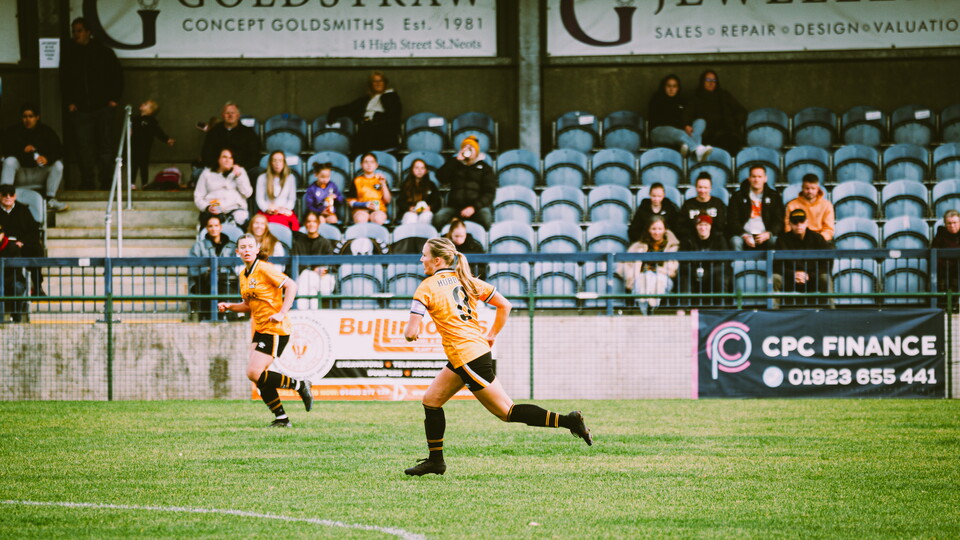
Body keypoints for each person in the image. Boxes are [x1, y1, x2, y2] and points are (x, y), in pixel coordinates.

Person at [402, 237, 592, 476]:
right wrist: (491, 335)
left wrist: (412, 333)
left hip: (466, 356)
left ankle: (569, 421)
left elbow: (410, 332)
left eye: (424, 255)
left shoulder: (427, 286)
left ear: (437, 260)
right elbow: (505, 305)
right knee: (431, 400)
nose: (421, 259)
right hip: (471, 352)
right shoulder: (467, 279)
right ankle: (435, 461)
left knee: (507, 412)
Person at [218, 233, 312, 427]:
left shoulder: (264, 269)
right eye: (242, 247)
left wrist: (282, 312)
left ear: (257, 249)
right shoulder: (244, 275)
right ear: (237, 252)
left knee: (254, 372)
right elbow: (247, 305)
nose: (246, 250)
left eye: (250, 246)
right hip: (261, 328)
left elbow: (291, 286)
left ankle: (300, 385)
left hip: (275, 328)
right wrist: (229, 306)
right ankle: (281, 419)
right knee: (259, 377)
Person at [59, 17, 123, 190]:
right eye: (74, 31)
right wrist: (70, 102)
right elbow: (63, 80)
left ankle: (106, 180)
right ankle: (87, 180)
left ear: (88, 32)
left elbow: (117, 76)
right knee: (84, 147)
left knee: (105, 146)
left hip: (103, 107)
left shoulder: (103, 52)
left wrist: (113, 100)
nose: (76, 34)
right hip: (80, 109)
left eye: (79, 30)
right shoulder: (70, 54)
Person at [1, 104, 68, 212]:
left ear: (37, 117)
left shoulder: (46, 131)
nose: (27, 119)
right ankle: (4, 197)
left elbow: (59, 151)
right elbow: (6, 150)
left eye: (30, 116)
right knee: (9, 161)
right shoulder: (13, 132)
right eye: (25, 116)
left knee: (58, 165)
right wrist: (22, 150)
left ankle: (50, 199)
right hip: (21, 175)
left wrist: (47, 159)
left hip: (39, 173)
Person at [618, 215, 680, 315]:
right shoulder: (638, 246)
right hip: (641, 276)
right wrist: (632, 275)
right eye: (654, 229)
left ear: (665, 230)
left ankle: (652, 307)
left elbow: (673, 268)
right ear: (648, 230)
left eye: (660, 229)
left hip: (663, 276)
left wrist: (657, 270)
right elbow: (625, 265)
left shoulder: (672, 246)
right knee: (644, 279)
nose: (657, 232)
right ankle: (645, 312)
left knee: (657, 280)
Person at [327, 71, 402, 153]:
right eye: (375, 81)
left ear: (385, 83)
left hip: (384, 133)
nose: (378, 83)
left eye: (380, 81)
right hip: (366, 131)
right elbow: (349, 108)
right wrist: (333, 111)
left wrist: (374, 116)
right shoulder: (366, 99)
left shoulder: (391, 97)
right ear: (371, 84)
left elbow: (393, 117)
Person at [432, 136, 497, 230]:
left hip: (476, 208)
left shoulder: (485, 168)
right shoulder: (455, 164)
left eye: (471, 148)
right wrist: (455, 160)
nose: (468, 150)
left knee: (486, 219)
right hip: (455, 207)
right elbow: (441, 177)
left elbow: (490, 193)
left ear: (477, 151)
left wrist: (474, 207)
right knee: (439, 218)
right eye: (465, 147)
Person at [648, 74, 712, 162]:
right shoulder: (657, 99)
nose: (671, 89)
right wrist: (684, 126)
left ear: (678, 88)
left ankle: (688, 148)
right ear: (664, 87)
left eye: (674, 86)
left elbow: (687, 118)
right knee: (675, 131)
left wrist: (687, 125)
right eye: (669, 86)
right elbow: (664, 120)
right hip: (659, 132)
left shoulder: (682, 102)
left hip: (680, 133)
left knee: (701, 121)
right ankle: (697, 148)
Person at [682, 70, 746, 154]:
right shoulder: (695, 98)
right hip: (707, 136)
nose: (711, 83)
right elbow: (686, 116)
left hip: (727, 132)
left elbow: (741, 111)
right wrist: (687, 125)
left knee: (732, 142)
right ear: (702, 82)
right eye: (708, 80)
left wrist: (733, 122)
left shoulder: (724, 95)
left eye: (714, 80)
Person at [188, 214, 238, 321]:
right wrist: (207, 270)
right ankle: (208, 317)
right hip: (205, 283)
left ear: (221, 227)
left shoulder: (232, 246)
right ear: (206, 228)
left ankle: (231, 317)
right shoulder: (198, 246)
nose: (213, 229)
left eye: (216, 225)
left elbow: (237, 267)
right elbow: (193, 269)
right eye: (210, 226)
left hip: (227, 282)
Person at [774, 209, 832, 300]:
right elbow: (776, 265)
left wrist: (809, 275)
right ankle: (773, 313)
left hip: (813, 278)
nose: (798, 225)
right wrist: (793, 274)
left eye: (801, 221)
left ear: (806, 222)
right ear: (790, 223)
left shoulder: (817, 238)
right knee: (775, 278)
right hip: (789, 278)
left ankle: (830, 312)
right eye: (795, 222)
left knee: (825, 278)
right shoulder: (782, 240)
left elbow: (827, 263)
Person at [0, 184, 45, 295]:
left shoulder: (23, 209)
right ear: (0, 196)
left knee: (36, 250)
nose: (8, 197)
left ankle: (38, 286)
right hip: (2, 246)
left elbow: (33, 230)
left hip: (20, 244)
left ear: (15, 196)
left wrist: (22, 242)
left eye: (11, 194)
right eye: (4, 194)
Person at [726, 166, 783, 251]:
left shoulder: (774, 196)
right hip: (744, 235)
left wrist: (768, 233)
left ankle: (773, 265)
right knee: (735, 241)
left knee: (775, 240)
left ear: (765, 178)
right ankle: (738, 264)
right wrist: (744, 235)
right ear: (749, 178)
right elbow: (732, 220)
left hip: (765, 235)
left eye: (760, 177)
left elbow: (779, 220)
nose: (756, 180)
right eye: (754, 176)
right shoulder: (737, 196)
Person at [194, 148, 254, 227]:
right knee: (212, 221)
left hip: (235, 208)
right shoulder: (207, 173)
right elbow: (198, 196)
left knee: (241, 218)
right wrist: (207, 207)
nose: (227, 160)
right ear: (218, 159)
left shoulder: (240, 171)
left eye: (230, 158)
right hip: (215, 209)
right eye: (224, 157)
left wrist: (239, 176)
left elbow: (248, 193)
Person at [679, 214, 730, 306]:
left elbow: (724, 263)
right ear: (696, 226)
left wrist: (708, 272)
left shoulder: (719, 239)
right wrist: (694, 272)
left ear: (710, 226)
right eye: (700, 225)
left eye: (706, 225)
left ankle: (721, 309)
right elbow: (683, 263)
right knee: (684, 279)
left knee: (721, 278)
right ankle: (682, 311)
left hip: (713, 274)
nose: (703, 228)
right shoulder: (688, 239)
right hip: (693, 274)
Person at [200, 102, 261, 174]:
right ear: (222, 115)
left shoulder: (248, 132)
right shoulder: (214, 132)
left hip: (242, 170)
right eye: (227, 113)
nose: (230, 115)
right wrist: (218, 167)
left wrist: (241, 168)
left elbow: (254, 155)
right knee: (198, 173)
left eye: (233, 113)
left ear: (238, 115)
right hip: (217, 170)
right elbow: (206, 153)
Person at [292, 211, 335, 310]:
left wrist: (323, 269)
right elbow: (296, 265)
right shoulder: (299, 243)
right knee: (309, 278)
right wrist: (313, 270)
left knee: (309, 278)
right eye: (308, 222)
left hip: (323, 279)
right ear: (305, 224)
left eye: (314, 221)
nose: (311, 224)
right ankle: (313, 313)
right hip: (305, 278)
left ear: (318, 224)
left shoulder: (325, 243)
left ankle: (301, 312)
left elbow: (331, 264)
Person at [130, 99, 174, 189]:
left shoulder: (151, 121)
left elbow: (158, 132)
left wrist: (167, 139)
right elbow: (130, 129)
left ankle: (144, 183)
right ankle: (132, 183)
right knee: (133, 163)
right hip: (134, 145)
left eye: (145, 104)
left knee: (143, 164)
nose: (142, 104)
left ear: (150, 110)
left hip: (145, 146)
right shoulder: (134, 119)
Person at [784, 173, 835, 243]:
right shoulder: (792, 205)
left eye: (813, 188)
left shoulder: (827, 205)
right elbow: (788, 226)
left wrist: (816, 239)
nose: (810, 191)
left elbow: (828, 229)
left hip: (820, 240)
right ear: (802, 188)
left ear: (818, 189)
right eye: (807, 188)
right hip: (797, 240)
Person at [255, 151, 299, 231]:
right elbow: (260, 199)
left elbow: (292, 199)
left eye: (280, 160)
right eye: (274, 160)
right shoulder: (262, 178)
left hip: (284, 212)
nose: (277, 163)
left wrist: (284, 209)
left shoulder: (290, 178)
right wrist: (267, 209)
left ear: (284, 163)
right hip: (267, 212)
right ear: (270, 163)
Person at [678, 172, 726, 243]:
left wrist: (706, 233)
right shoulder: (688, 204)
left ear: (710, 188)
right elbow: (681, 226)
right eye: (700, 187)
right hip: (692, 240)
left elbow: (721, 226)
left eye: (705, 188)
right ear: (696, 187)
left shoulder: (718, 203)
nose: (703, 191)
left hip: (714, 240)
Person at [347, 152, 391, 225]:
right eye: (366, 162)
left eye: (372, 162)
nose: (369, 165)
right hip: (361, 209)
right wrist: (364, 204)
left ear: (376, 165)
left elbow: (388, 200)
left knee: (378, 218)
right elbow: (350, 202)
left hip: (378, 209)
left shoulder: (381, 179)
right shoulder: (357, 180)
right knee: (360, 218)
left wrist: (383, 184)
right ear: (361, 165)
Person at [397, 158, 441, 225]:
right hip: (410, 212)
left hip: (425, 212)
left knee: (427, 215)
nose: (419, 170)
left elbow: (437, 202)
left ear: (426, 171)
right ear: (412, 170)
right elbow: (400, 201)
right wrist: (409, 208)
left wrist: (430, 207)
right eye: (416, 168)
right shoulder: (406, 185)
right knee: (411, 216)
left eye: (422, 168)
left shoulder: (431, 185)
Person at [0, 222, 28, 322]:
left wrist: (2, 284)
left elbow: (17, 271)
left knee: (17, 287)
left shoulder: (12, 247)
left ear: (3, 234)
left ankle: (16, 318)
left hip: (11, 281)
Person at [931, 209, 960, 294]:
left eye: (955, 223)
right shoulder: (941, 234)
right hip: (945, 269)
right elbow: (935, 251)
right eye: (949, 223)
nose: (952, 226)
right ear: (945, 224)